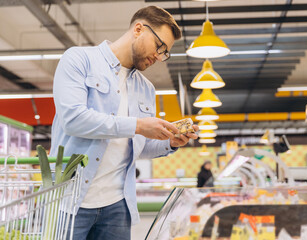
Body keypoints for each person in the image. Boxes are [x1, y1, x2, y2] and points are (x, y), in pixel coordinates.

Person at [49, 6, 198, 240]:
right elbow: (73, 120)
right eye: (159, 47)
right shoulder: (79, 59)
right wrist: (138, 125)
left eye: (165, 53)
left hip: (118, 206)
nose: (159, 57)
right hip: (69, 201)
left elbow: (138, 146)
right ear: (138, 29)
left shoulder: (146, 88)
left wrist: (170, 142)